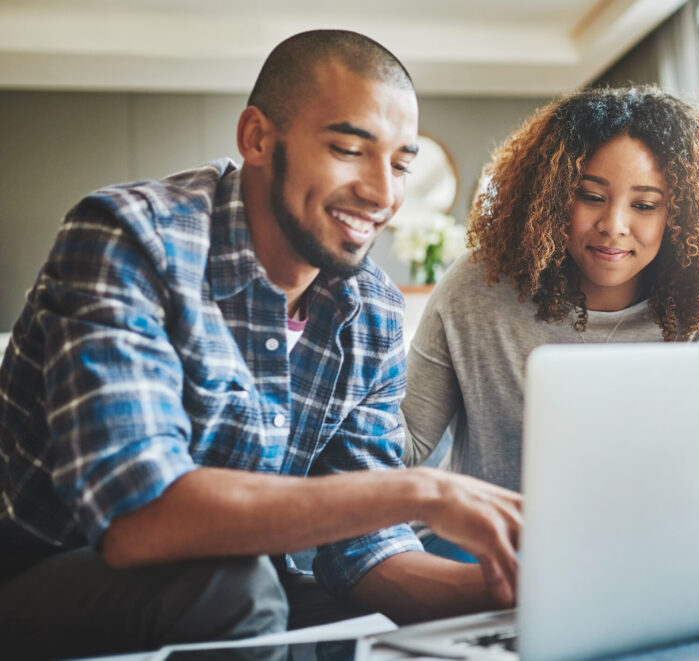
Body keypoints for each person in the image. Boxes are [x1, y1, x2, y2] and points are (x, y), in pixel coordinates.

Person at [0, 30, 521, 660]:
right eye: (349, 149)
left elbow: (364, 551)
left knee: (362, 632)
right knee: (240, 591)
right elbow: (139, 517)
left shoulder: (372, 311)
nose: (383, 194)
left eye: (401, 164)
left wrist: (515, 592)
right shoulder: (129, 239)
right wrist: (423, 491)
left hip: (238, 584)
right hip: (42, 579)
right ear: (257, 138)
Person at [401, 87, 699, 557]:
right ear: (553, 195)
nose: (614, 224)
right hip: (490, 547)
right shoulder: (478, 287)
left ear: (679, 216)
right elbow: (407, 444)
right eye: (591, 196)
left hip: (650, 544)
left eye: (644, 205)